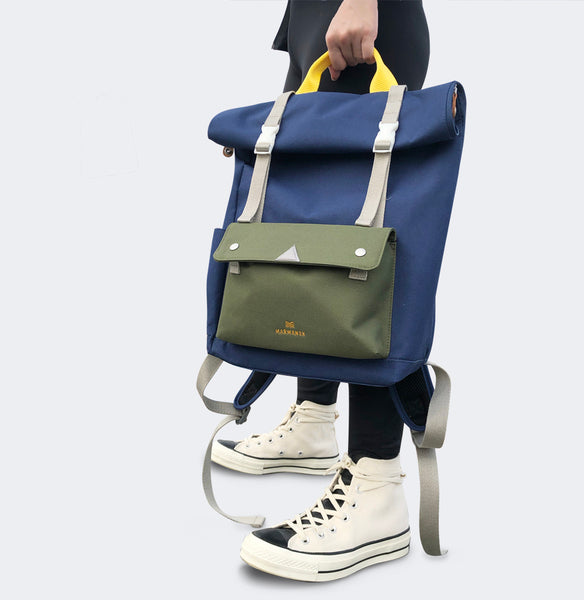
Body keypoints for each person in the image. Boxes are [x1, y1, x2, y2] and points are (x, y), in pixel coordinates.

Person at [211, 0, 433, 581]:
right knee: (313, 235)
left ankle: (376, 489)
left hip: (361, 15)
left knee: (370, 249)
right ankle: (313, 419)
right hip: (311, 21)